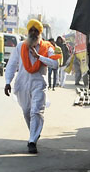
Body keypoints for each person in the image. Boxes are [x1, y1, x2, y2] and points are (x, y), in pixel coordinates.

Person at [4, 19, 62, 154]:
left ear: (40, 33)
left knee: (36, 111)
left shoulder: (48, 47)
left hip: (39, 84)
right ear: (28, 31)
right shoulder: (20, 46)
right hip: (22, 84)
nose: (34, 33)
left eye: (37, 31)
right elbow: (12, 65)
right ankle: (34, 133)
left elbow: (55, 64)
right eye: (32, 30)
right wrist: (8, 81)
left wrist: (39, 57)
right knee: (26, 111)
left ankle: (32, 141)